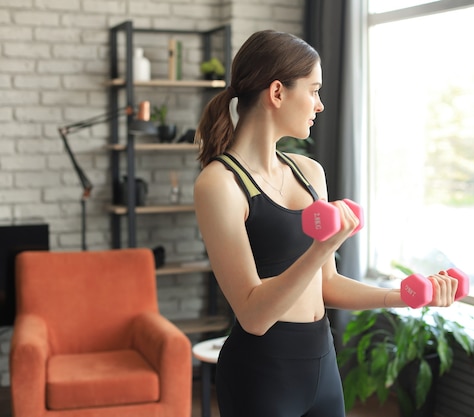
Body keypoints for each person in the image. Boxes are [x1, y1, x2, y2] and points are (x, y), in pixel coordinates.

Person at [194, 30, 459, 417]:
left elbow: (327, 285)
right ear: (278, 92)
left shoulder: (309, 172)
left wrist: (404, 297)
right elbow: (253, 315)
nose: (319, 105)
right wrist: (321, 247)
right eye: (314, 90)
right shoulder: (219, 184)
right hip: (262, 374)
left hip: (322, 362)